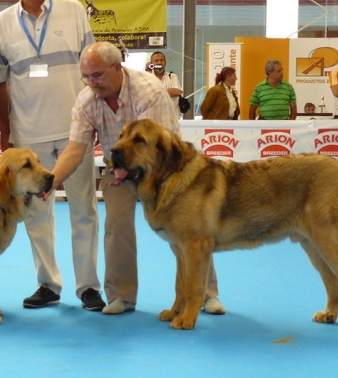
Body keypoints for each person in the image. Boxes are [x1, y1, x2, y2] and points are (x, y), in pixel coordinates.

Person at [47, 42, 225, 316]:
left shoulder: (149, 91)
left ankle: (206, 293)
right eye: (86, 77)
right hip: (118, 172)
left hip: (164, 169)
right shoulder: (86, 101)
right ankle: (122, 296)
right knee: (116, 227)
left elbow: (160, 149)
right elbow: (74, 150)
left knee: (191, 230)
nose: (91, 83)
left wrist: (133, 170)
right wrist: (50, 181)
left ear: (117, 68)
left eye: (97, 75)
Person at [0, 0, 105, 311]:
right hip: (27, 136)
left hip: (75, 131)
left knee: (85, 210)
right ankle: (48, 284)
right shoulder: (0, 23)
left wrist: (93, 118)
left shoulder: (75, 11)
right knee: (37, 216)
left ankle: (89, 287)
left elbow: (92, 71)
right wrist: (5, 131)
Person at [149, 51, 183, 117]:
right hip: (153, 120)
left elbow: (176, 91)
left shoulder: (172, 76)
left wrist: (155, 93)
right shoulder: (147, 78)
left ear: (165, 63)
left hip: (172, 119)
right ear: (151, 64)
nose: (159, 63)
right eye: (156, 61)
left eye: (161, 60)